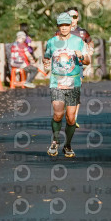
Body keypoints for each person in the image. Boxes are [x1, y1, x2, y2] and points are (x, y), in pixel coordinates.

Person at [44, 12, 91, 158]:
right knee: (58, 114)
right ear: (58, 26)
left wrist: (81, 56)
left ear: (71, 26)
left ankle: (68, 145)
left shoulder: (78, 41)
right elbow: (46, 57)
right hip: (57, 82)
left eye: (66, 25)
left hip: (73, 82)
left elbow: (87, 60)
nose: (64, 28)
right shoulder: (51, 42)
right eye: (61, 25)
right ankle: (55, 141)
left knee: (71, 118)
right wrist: (46, 63)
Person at [56, 6, 94, 128]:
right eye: (70, 16)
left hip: (78, 65)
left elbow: (90, 42)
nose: (72, 19)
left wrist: (89, 50)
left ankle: (73, 118)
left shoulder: (83, 32)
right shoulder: (60, 31)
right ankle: (65, 113)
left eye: (74, 17)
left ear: (77, 18)